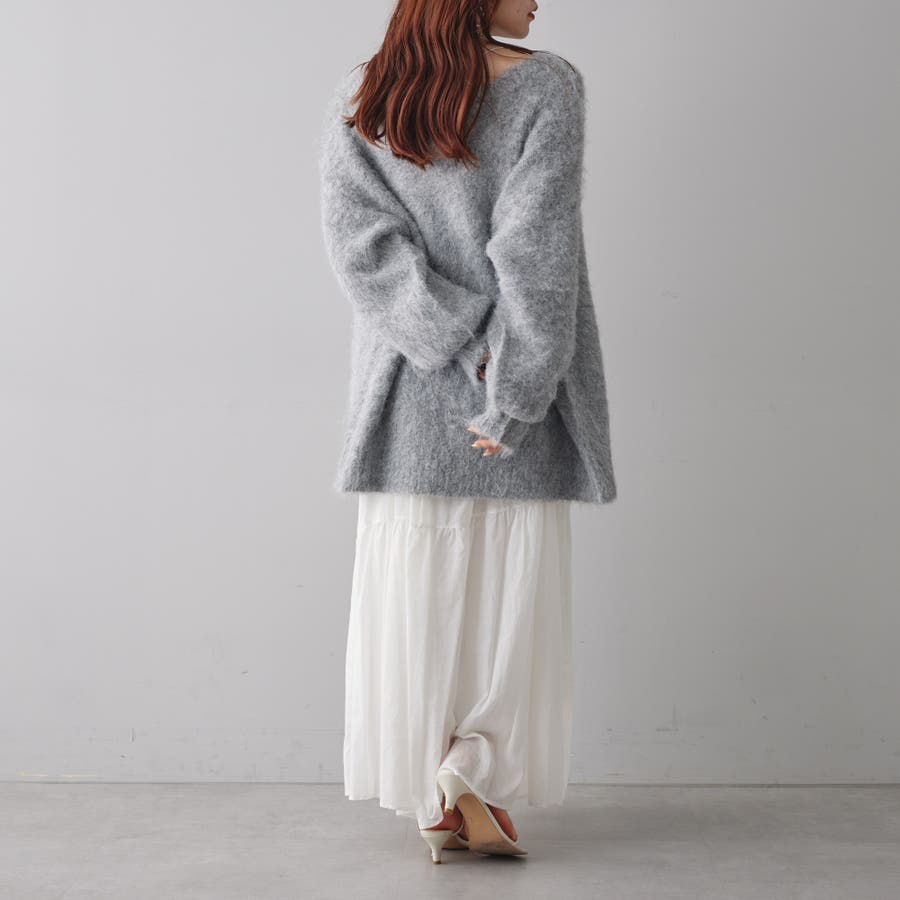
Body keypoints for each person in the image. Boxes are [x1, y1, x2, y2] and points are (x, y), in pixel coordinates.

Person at [318, 0, 617, 863]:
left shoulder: (367, 91)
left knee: (417, 596)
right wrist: (510, 382)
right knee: (509, 602)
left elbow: (363, 250)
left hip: (404, 392)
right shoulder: (547, 86)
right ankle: (469, 772)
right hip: (515, 382)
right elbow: (536, 251)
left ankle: (431, 795)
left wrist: (454, 343)